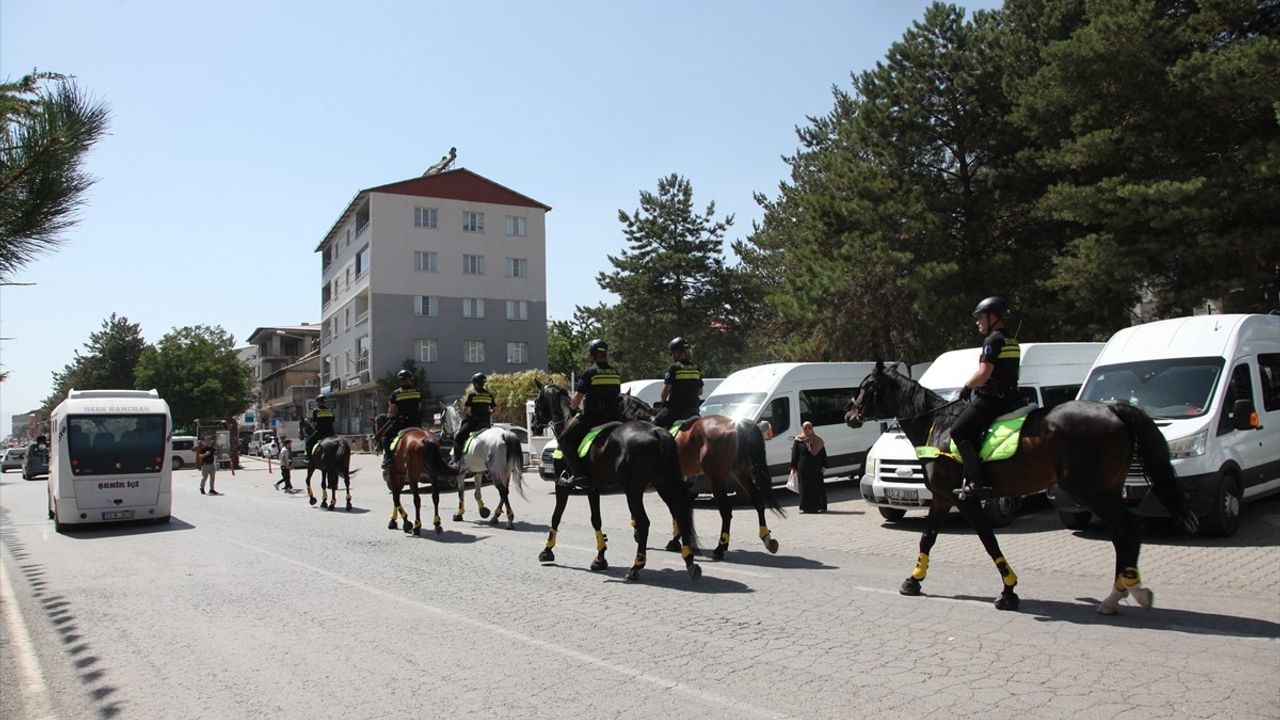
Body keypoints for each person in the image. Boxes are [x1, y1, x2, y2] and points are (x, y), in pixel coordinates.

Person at [951, 296, 1022, 499]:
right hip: (1011, 398)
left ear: (993, 317)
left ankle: (977, 482)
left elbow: (984, 373)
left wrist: (966, 387)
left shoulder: (992, 341)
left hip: (993, 400)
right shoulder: (1012, 341)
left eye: (980, 317)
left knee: (959, 430)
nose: (978, 322)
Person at [557, 339, 622, 488]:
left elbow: (577, 399)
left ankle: (579, 475)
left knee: (564, 440)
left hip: (593, 418)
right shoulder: (615, 373)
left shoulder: (590, 373)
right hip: (614, 417)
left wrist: (573, 408)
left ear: (593, 355)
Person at [653, 336, 704, 429]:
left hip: (675, 409)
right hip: (693, 410)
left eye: (672, 353)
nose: (672, 356)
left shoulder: (674, 368)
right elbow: (700, 392)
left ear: (677, 352)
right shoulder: (696, 368)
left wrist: (662, 402)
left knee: (653, 426)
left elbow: (665, 391)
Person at [449, 373, 495, 470]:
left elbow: (466, 410)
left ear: (475, 384)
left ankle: (457, 462)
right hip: (486, 424)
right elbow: (494, 409)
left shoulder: (472, 395)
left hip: (474, 423)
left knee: (458, 438)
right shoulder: (489, 395)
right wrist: (488, 413)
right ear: (483, 383)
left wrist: (468, 416)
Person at [382, 369, 423, 470]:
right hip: (416, 423)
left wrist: (391, 416)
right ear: (410, 380)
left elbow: (392, 411)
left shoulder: (395, 394)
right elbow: (419, 407)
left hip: (402, 423)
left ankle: (388, 459)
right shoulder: (417, 392)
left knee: (385, 437)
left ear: (400, 381)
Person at [791, 421, 828, 513]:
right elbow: (794, 454)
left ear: (812, 429)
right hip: (803, 468)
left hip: (816, 468)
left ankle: (820, 506)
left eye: (809, 428)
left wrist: (824, 465)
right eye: (805, 428)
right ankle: (805, 507)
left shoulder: (818, 440)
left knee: (817, 487)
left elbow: (823, 454)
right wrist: (793, 467)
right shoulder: (798, 440)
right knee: (805, 487)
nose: (807, 430)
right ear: (803, 429)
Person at [302, 395, 336, 464]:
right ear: (325, 402)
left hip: (320, 433)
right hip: (331, 433)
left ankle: (308, 459)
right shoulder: (330, 410)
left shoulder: (316, 411)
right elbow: (333, 420)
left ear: (318, 402)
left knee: (308, 443)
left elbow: (314, 423)